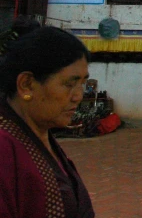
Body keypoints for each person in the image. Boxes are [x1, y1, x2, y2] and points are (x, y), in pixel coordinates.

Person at [0, 27, 95, 218]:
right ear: (26, 84)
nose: (78, 96)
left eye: (83, 83)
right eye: (69, 84)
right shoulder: (3, 146)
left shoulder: (40, 135)